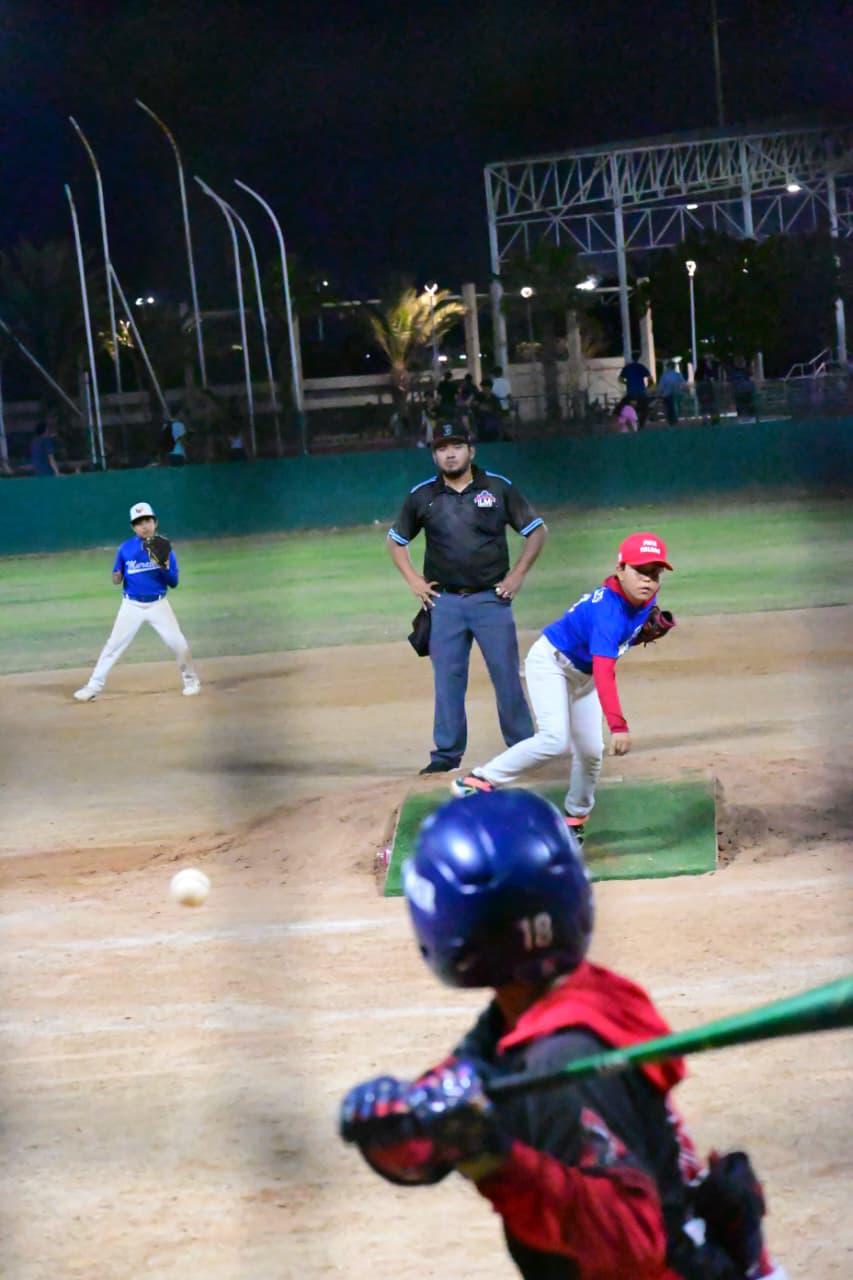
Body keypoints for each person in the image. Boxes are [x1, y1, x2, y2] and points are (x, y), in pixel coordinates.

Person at [340, 789, 787, 1280]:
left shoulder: (561, 1059)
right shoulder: (569, 1002)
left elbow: (632, 1247)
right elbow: (475, 1077)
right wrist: (407, 1126)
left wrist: (496, 1161)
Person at [450, 531, 675, 840]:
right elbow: (605, 670)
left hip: (583, 675)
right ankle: (477, 781)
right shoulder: (607, 612)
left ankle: (574, 819)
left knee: (591, 751)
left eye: (655, 573)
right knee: (555, 740)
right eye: (640, 571)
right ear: (620, 568)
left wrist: (635, 636)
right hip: (551, 664)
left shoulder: (644, 601)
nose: (647, 581)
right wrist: (618, 725)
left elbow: (609, 651)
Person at [387, 422, 546, 774]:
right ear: (434, 455)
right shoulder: (422, 496)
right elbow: (396, 540)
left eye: (456, 445)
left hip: (491, 600)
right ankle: (445, 757)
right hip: (443, 603)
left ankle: (522, 749)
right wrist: (414, 580)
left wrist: (517, 574)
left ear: (471, 450)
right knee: (448, 681)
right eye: (442, 448)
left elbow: (536, 531)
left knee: (506, 677)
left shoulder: (497, 487)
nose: (450, 453)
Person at [73, 501, 201, 702]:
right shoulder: (125, 549)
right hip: (131, 606)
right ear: (133, 527)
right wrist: (116, 576)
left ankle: (191, 681)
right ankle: (93, 686)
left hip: (158, 604)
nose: (144, 525)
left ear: (155, 522)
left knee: (178, 643)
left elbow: (173, 582)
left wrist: (164, 565)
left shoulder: (163, 547)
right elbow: (117, 577)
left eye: (147, 520)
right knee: (113, 646)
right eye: (139, 522)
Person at [618, 350, 653, 427]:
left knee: (625, 407)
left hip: (631, 393)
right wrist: (648, 387)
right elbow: (650, 379)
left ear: (631, 358)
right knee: (645, 409)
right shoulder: (641, 367)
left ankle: (629, 423)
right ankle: (641, 424)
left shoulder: (627, 368)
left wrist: (627, 383)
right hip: (641, 392)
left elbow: (620, 379)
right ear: (639, 358)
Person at [658, 361, 686, 426]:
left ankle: (670, 421)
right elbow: (683, 384)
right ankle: (675, 419)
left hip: (667, 395)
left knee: (668, 408)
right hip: (677, 393)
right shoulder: (678, 374)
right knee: (677, 407)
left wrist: (660, 393)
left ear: (668, 367)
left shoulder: (664, 375)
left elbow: (661, 386)